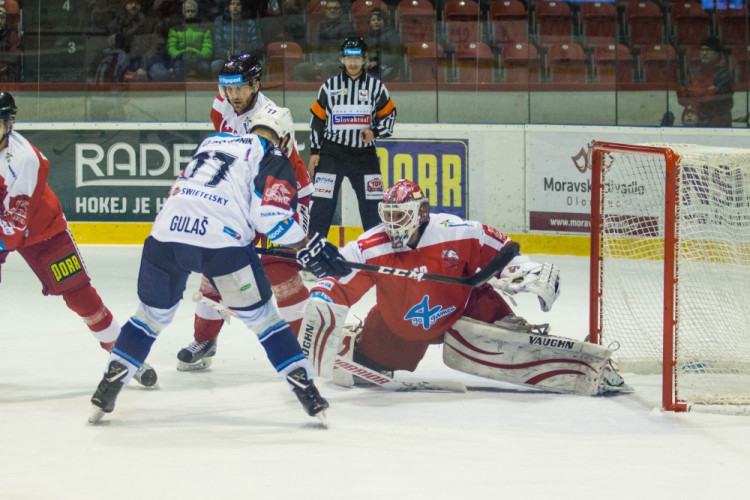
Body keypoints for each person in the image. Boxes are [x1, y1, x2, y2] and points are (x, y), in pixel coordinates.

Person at [88, 124, 351, 424]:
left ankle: (108, 386)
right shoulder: (272, 152)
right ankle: (308, 394)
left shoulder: (213, 141)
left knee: (148, 317)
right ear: (285, 138)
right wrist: (305, 245)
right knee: (265, 321)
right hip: (221, 246)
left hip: (165, 238)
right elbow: (269, 217)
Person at [301, 179, 631, 396]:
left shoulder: (456, 231)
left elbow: (501, 253)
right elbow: (338, 282)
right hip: (400, 324)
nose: (392, 224)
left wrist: (527, 272)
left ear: (421, 213)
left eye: (400, 215)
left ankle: (589, 367)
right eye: (387, 215)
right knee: (362, 368)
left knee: (511, 340)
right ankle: (356, 341)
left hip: (463, 306)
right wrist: (322, 296)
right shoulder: (371, 245)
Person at [0, 91, 156, 387]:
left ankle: (123, 354)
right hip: (7, 227)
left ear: (9, 124)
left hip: (42, 230)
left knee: (80, 295)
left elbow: (12, 229)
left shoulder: (25, 161)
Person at [176, 54, 313, 371]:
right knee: (216, 269)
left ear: (256, 84)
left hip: (283, 192)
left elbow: (269, 174)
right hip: (243, 194)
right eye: (227, 88)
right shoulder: (221, 104)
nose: (233, 95)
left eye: (240, 88)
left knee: (281, 273)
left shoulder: (272, 117)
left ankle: (303, 346)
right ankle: (205, 340)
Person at [307, 37, 396, 239]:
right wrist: (314, 152)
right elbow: (317, 120)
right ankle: (313, 254)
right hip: (332, 153)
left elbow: (390, 117)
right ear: (342, 59)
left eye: (357, 58)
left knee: (372, 206)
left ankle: (376, 254)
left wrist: (374, 131)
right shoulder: (329, 86)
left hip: (365, 156)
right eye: (349, 58)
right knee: (322, 204)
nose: (353, 63)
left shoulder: (377, 87)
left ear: (364, 59)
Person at [677, 36, 734, 127]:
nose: (704, 53)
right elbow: (682, 96)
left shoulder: (724, 74)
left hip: (719, 123)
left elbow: (711, 97)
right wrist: (704, 91)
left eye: (708, 50)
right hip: (697, 120)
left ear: (718, 53)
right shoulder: (695, 71)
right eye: (702, 50)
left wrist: (693, 92)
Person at [292, 0, 354, 81]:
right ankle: (302, 93)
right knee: (300, 68)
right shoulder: (320, 25)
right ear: (325, 11)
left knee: (326, 68)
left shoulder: (347, 27)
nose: (332, 10)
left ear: (341, 10)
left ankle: (327, 93)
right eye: (329, 8)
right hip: (320, 62)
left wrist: (323, 64)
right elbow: (315, 47)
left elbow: (344, 51)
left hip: (339, 62)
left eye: (335, 8)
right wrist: (316, 63)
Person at [210, 0, 264, 76]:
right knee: (216, 64)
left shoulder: (250, 23)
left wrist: (245, 48)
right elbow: (216, 45)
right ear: (229, 6)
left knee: (259, 64)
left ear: (242, 7)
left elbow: (258, 45)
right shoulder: (220, 21)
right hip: (226, 59)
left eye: (238, 4)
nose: (235, 6)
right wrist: (226, 53)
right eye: (232, 4)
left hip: (245, 59)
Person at [167, 0, 212, 80]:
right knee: (177, 68)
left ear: (196, 12)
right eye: (187, 11)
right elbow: (171, 48)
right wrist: (181, 55)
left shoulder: (204, 29)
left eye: (192, 11)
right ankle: (177, 91)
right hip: (181, 59)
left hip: (199, 58)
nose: (190, 13)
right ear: (183, 12)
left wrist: (198, 55)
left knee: (205, 68)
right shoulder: (175, 29)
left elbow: (207, 48)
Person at [362, 9, 403, 81]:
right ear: (370, 23)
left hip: (389, 66)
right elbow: (364, 52)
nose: (376, 22)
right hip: (371, 66)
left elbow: (396, 55)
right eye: (373, 20)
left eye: (379, 19)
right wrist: (366, 61)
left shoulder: (391, 35)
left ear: (384, 22)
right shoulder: (367, 36)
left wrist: (377, 62)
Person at [0, 7, 21, 82]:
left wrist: (5, 65)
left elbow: (15, 54)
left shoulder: (12, 35)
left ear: (5, 20)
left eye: (2, 18)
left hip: (8, 74)